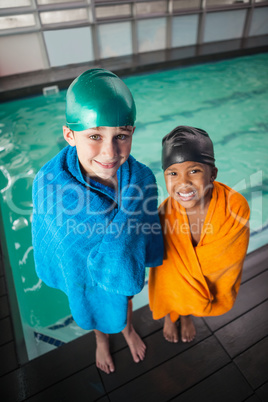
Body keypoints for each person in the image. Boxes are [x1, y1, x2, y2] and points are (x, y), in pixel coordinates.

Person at [32, 68, 163, 374]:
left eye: (121, 135)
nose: (110, 152)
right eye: (94, 136)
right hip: (82, 278)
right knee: (88, 300)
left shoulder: (141, 179)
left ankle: (127, 329)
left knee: (125, 294)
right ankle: (101, 340)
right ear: (70, 135)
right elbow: (53, 241)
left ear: (131, 132)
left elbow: (144, 230)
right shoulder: (49, 184)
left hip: (122, 271)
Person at [149, 126, 250, 344]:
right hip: (177, 288)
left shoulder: (234, 208)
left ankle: (186, 315)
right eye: (173, 173)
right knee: (170, 282)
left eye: (194, 171)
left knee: (185, 291)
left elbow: (226, 264)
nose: (183, 183)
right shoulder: (164, 215)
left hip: (204, 289)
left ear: (212, 173)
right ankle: (171, 314)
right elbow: (165, 271)